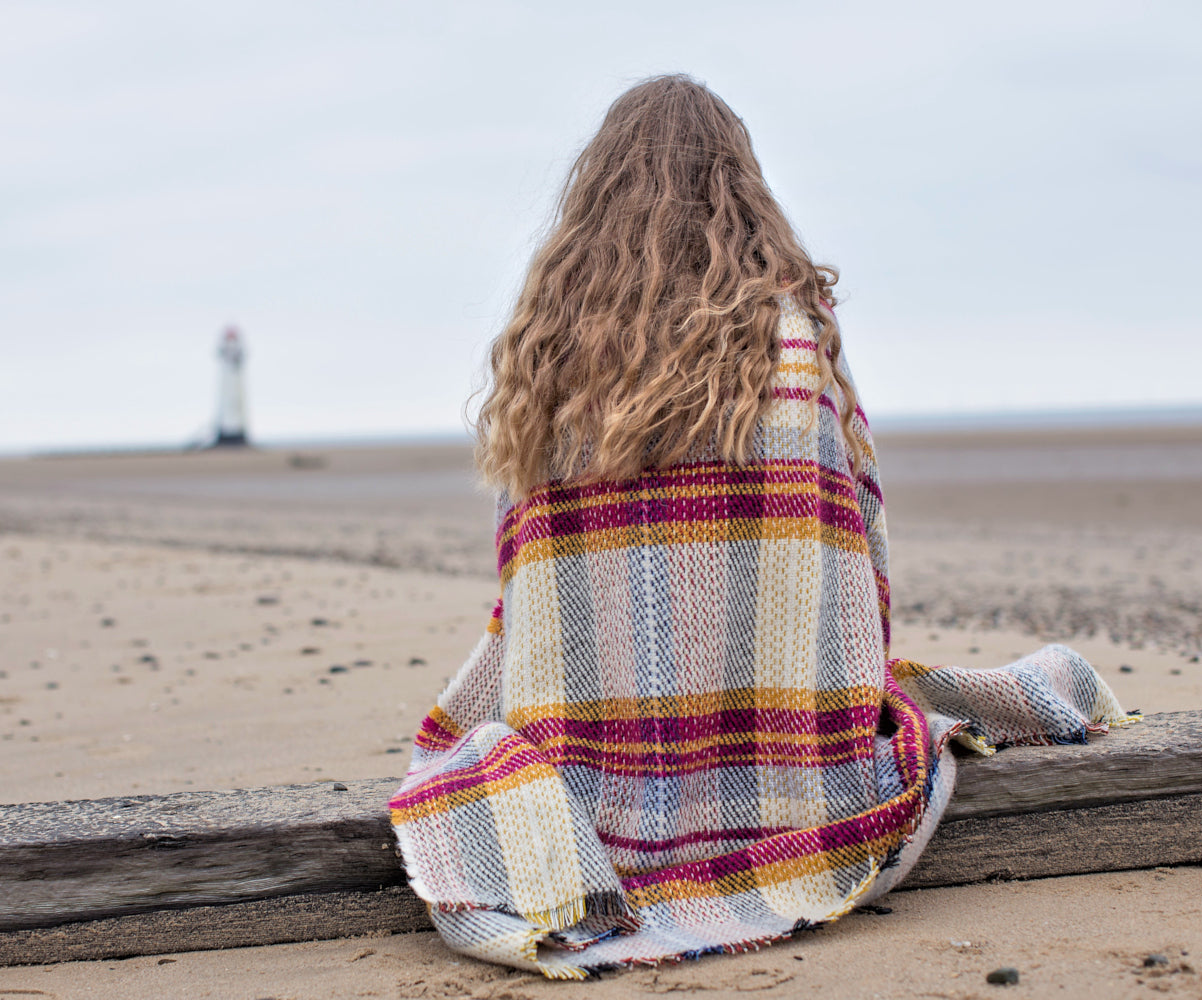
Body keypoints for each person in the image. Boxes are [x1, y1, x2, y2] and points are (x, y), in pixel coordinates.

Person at [388, 75, 1134, 979]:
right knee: (982, 690)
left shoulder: (550, 356)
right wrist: (846, 682)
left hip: (586, 752)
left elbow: (524, 569)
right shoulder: (793, 332)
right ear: (740, 185)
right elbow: (859, 534)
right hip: (796, 756)